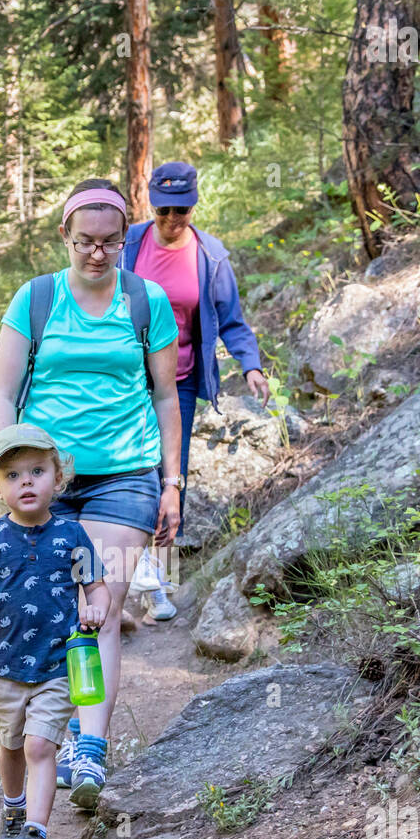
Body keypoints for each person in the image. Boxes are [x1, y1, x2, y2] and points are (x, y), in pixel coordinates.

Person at [0, 178, 182, 809]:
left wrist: (172, 483)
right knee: (60, 610)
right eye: (85, 243)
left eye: (110, 243)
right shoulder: (36, 299)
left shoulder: (147, 302)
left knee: (101, 602)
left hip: (127, 475)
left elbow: (165, 397)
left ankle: (91, 747)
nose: (98, 254)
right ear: (65, 238)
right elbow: (3, 393)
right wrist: (10, 470)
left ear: (126, 238)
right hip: (48, 483)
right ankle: (70, 729)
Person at [0, 423, 110, 839]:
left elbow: (98, 590)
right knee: (11, 745)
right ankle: (13, 808)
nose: (26, 482)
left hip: (58, 664)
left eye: (37, 471)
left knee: (40, 746)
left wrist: (95, 610)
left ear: (58, 478)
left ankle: (36, 832)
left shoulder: (72, 535)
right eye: (13, 475)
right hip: (2, 667)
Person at [121, 160, 270, 620]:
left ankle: (160, 585)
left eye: (180, 211)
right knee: (121, 471)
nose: (170, 220)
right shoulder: (128, 245)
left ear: (193, 206)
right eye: (163, 210)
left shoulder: (210, 257)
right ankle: (120, 587)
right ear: (151, 204)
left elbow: (231, 321)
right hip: (123, 379)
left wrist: (251, 367)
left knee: (171, 475)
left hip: (179, 380)